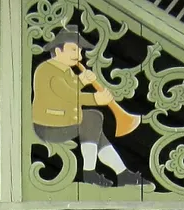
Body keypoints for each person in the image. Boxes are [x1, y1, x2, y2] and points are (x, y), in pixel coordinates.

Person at [31, 26, 143, 186]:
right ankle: (89, 172)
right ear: (57, 51)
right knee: (93, 118)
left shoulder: (66, 71)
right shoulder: (47, 70)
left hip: (63, 121)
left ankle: (122, 173)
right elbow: (66, 95)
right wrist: (96, 98)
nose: (78, 55)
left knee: (94, 126)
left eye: (79, 51)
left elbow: (69, 87)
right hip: (48, 126)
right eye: (73, 50)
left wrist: (82, 79)